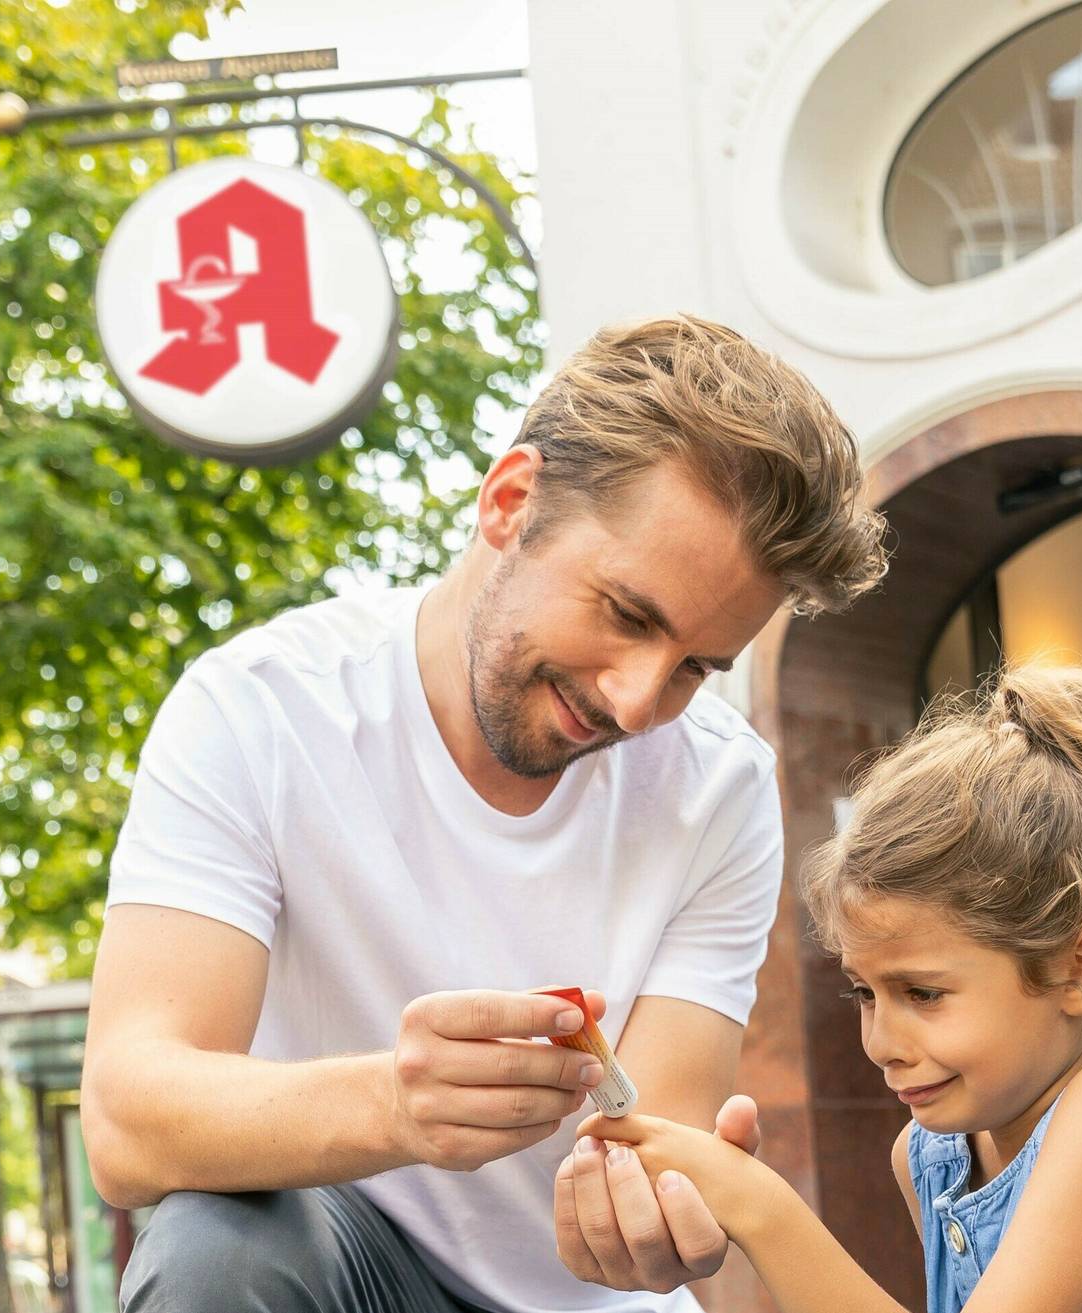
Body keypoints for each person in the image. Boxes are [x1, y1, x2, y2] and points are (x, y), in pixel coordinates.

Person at [84, 314, 888, 1313]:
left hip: (589, 1302)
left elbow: (662, 1141)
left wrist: (659, 1220)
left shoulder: (717, 788)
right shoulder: (261, 709)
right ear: (510, 502)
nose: (638, 700)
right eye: (628, 614)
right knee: (216, 1245)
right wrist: (393, 1102)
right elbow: (128, 1119)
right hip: (345, 1265)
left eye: (694, 666)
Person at [581, 666, 1082, 1313]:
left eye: (923, 992)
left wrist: (757, 1202)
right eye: (865, 994)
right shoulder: (933, 1157)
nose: (882, 1043)